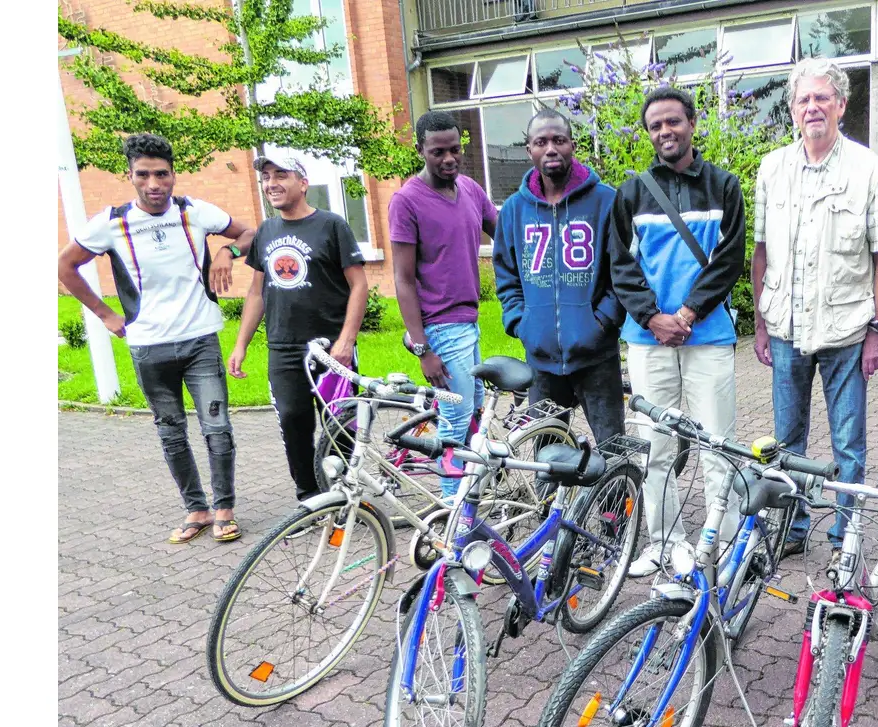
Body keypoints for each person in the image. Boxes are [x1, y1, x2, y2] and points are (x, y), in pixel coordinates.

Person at [58, 132, 255, 544]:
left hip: (200, 338)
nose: (154, 184)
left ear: (173, 175)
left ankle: (224, 509)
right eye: (144, 175)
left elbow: (249, 234)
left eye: (162, 174)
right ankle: (196, 509)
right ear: (130, 176)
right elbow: (65, 266)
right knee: (170, 431)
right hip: (149, 346)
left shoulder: (194, 212)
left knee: (216, 428)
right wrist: (106, 314)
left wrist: (226, 252)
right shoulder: (112, 223)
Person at [751, 58, 878, 569]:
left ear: (840, 104)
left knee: (848, 445)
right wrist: (760, 323)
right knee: (787, 440)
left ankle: (846, 535)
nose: (811, 107)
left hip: (846, 331)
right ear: (792, 109)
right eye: (802, 99)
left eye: (821, 98)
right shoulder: (772, 168)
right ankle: (791, 528)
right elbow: (762, 250)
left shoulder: (867, 169)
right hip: (787, 328)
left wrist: (877, 331)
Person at [611, 86, 747, 577]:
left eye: (673, 121)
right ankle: (665, 541)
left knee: (718, 444)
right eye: (655, 126)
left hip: (706, 335)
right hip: (648, 339)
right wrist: (652, 317)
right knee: (655, 447)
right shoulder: (631, 193)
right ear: (649, 134)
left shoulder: (724, 186)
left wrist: (686, 314)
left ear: (692, 122)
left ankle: (726, 538)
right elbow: (620, 265)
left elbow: (729, 260)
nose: (665, 131)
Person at [227, 152, 368, 501]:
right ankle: (308, 497)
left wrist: (346, 341)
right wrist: (241, 344)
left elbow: (359, 285)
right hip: (283, 349)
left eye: (281, 175)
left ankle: (339, 495)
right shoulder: (266, 231)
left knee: (341, 424)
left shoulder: (332, 225)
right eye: (266, 177)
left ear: (303, 184)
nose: (271, 183)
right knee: (293, 422)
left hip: (330, 347)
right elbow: (257, 291)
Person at [493, 107, 626, 444]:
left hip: (597, 356)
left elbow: (623, 269)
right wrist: (521, 322)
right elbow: (506, 273)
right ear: (529, 151)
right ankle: (552, 502)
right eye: (541, 142)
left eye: (559, 140)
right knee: (548, 460)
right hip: (541, 361)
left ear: (572, 145)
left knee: (613, 451)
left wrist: (603, 322)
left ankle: (620, 499)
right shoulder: (514, 210)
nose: (550, 148)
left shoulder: (606, 201)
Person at [389, 110, 498, 496]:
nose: (449, 159)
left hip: (469, 320)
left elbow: (501, 231)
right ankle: (453, 515)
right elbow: (402, 279)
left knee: (476, 410)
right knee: (456, 418)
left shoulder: (469, 188)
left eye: (455, 150)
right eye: (438, 152)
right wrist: (423, 349)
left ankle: (470, 493)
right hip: (439, 326)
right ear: (421, 150)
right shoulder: (407, 201)